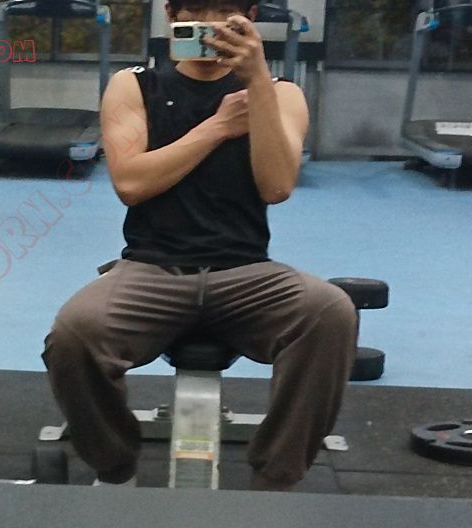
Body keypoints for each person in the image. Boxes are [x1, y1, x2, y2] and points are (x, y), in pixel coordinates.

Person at [42, 0, 357, 491]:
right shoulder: (134, 86)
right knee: (73, 334)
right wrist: (219, 127)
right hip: (152, 268)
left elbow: (276, 185)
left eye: (225, 13)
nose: (210, 26)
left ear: (249, 17)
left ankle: (276, 478)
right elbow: (131, 184)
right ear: (171, 15)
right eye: (196, 11)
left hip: (247, 272)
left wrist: (256, 80)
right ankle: (115, 466)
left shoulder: (281, 93)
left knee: (331, 312)